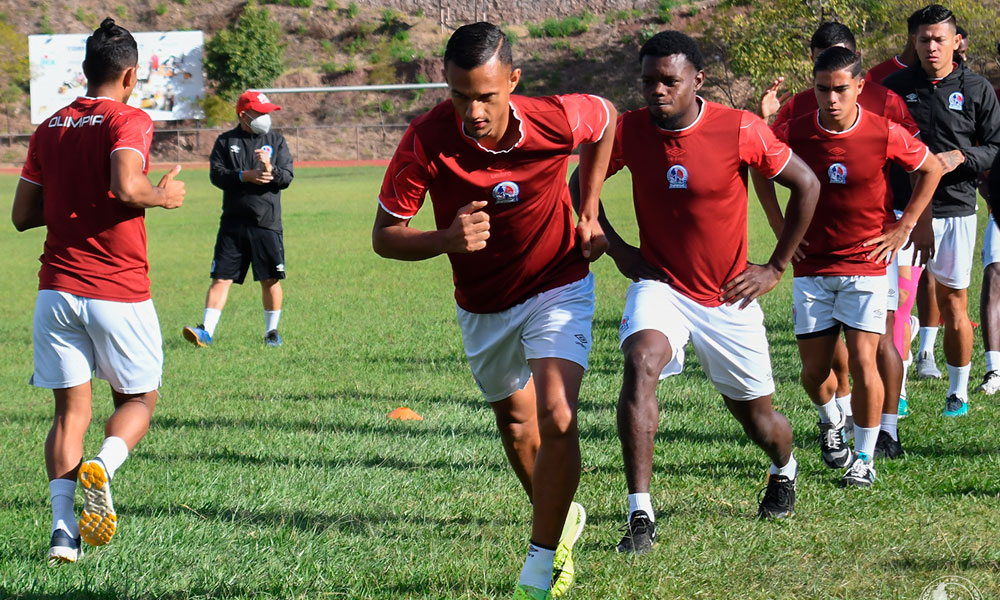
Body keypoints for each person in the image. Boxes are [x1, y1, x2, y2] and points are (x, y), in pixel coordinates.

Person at [372, 23, 615, 600]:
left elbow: (606, 118)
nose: (473, 110)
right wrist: (446, 240)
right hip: (483, 304)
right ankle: (559, 520)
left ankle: (537, 566)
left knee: (557, 414)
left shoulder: (554, 118)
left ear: (513, 81)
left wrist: (590, 209)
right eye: (460, 95)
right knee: (516, 424)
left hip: (559, 282)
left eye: (485, 95)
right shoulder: (426, 139)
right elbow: (385, 236)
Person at [572, 30, 818, 552]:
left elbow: (808, 184)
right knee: (641, 360)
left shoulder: (739, 129)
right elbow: (580, 184)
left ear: (697, 80)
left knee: (761, 422)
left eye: (669, 80)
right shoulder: (629, 130)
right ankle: (641, 517)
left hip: (729, 297)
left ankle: (785, 468)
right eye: (647, 81)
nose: (656, 91)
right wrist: (618, 248)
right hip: (661, 285)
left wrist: (775, 267)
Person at [11, 18, 185, 564]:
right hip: (117, 289)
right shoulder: (129, 118)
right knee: (139, 399)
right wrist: (162, 196)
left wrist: (71, 201)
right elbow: (124, 185)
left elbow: (22, 215)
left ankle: (64, 534)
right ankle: (103, 467)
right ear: (130, 75)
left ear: (84, 72)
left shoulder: (49, 127)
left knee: (69, 416)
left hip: (55, 290)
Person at [755, 22, 926, 458]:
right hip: (812, 263)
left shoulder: (883, 120)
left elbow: (930, 166)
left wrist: (905, 226)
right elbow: (760, 164)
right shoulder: (796, 121)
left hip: (868, 256)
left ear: (859, 83)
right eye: (822, 88)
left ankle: (871, 450)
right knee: (813, 372)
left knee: (870, 353)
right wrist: (781, 230)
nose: (831, 98)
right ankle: (833, 418)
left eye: (839, 89)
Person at [883, 4, 1000, 417]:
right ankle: (895, 392)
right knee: (897, 301)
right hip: (903, 212)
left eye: (939, 39)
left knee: (954, 304)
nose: (931, 46)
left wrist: (961, 158)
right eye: (923, 39)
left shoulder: (976, 89)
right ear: (913, 42)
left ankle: (958, 391)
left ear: (956, 41)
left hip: (956, 210)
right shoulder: (893, 88)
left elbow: (994, 147)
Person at [183, 90, 293, 348]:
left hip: (266, 222)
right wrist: (245, 175)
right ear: (244, 115)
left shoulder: (276, 142)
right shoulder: (225, 141)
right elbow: (217, 176)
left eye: (268, 112)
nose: (265, 117)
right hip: (232, 223)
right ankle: (205, 331)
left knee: (270, 279)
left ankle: (272, 332)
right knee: (221, 277)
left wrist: (270, 170)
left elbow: (287, 177)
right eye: (260, 113)